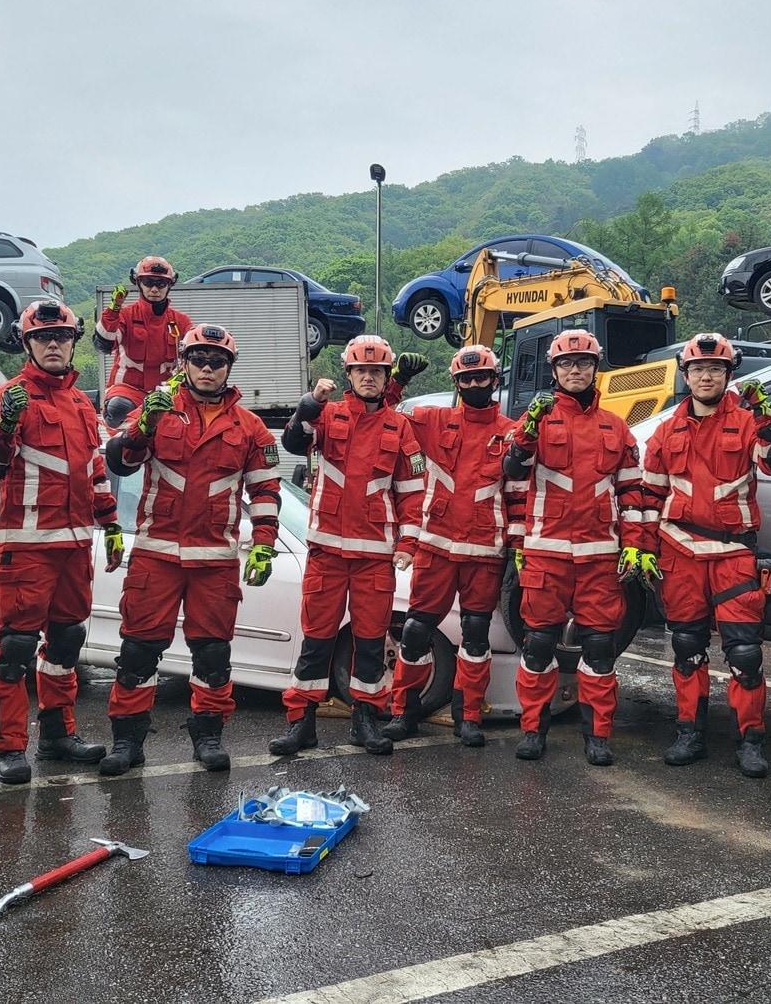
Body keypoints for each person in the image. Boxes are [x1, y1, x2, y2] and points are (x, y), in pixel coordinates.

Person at [101, 324, 281, 773]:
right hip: (156, 554)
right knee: (139, 651)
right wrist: (141, 428)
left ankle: (208, 737)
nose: (206, 367)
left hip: (215, 561)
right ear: (183, 362)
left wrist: (263, 544)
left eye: (216, 361)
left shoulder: (251, 427)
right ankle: (127, 742)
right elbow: (120, 462)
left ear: (228, 369)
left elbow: (265, 490)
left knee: (214, 654)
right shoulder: (157, 407)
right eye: (198, 359)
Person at [0, 299, 123, 785]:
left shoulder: (83, 404)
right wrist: (5, 426)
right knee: (15, 648)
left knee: (66, 643)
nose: (54, 343)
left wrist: (112, 523)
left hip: (76, 547)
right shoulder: (7, 397)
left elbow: (96, 472)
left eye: (62, 335)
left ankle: (58, 735)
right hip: (28, 548)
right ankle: (10, 747)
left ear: (73, 342)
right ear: (27, 343)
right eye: (43, 337)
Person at [637, 332, 771, 778]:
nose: (706, 376)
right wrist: (643, 549)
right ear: (686, 376)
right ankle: (690, 732)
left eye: (716, 370)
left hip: (732, 553)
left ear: (729, 375)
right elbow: (649, 494)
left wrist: (769, 423)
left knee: (745, 652)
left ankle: (751, 740)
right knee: (687, 647)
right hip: (678, 551)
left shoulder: (748, 422)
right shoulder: (665, 430)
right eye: (698, 370)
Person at [269, 334, 424, 757]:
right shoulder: (328, 415)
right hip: (326, 554)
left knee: (371, 642)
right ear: (348, 375)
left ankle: (366, 721)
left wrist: (408, 543)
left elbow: (413, 492)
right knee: (316, 640)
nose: (369, 378)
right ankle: (301, 723)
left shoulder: (400, 426)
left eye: (376, 372)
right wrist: (309, 402)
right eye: (361, 371)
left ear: (385, 376)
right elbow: (292, 442)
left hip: (375, 556)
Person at [502, 329, 644, 766]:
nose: (575, 370)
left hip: (600, 555)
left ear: (595, 368)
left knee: (600, 648)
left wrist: (635, 546)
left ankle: (597, 735)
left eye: (583, 362)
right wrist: (525, 434)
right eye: (566, 363)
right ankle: (533, 729)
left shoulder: (616, 427)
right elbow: (511, 475)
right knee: (539, 644)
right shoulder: (537, 419)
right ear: (555, 371)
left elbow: (633, 493)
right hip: (547, 553)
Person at [381, 345, 519, 747]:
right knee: (415, 630)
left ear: (495, 381)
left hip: (484, 552)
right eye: (466, 379)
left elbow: (522, 491)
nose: (475, 384)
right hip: (436, 549)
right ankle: (403, 712)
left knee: (476, 634)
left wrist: (519, 545)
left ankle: (468, 716)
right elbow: (384, 418)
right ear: (456, 383)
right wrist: (398, 380)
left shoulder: (512, 431)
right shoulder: (432, 419)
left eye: (482, 378)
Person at [94, 255, 194, 427]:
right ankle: (124, 447)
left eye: (161, 283)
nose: (154, 289)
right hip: (127, 390)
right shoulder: (124, 315)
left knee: (189, 418)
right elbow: (104, 344)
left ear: (169, 285)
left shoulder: (181, 321)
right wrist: (113, 311)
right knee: (118, 409)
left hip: (165, 390)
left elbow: (195, 354)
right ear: (138, 283)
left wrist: (181, 378)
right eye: (148, 282)